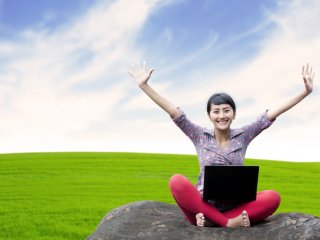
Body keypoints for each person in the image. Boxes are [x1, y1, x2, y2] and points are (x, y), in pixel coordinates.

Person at [128, 62, 314, 228]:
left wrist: (305, 92)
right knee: (176, 181)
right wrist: (144, 86)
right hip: (202, 207)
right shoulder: (199, 135)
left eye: (226, 110)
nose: (221, 115)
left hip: (235, 206)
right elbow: (174, 112)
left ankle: (217, 221)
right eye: (216, 111)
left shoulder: (244, 135)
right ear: (210, 116)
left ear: (234, 113)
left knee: (273, 197)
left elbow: (272, 114)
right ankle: (226, 222)